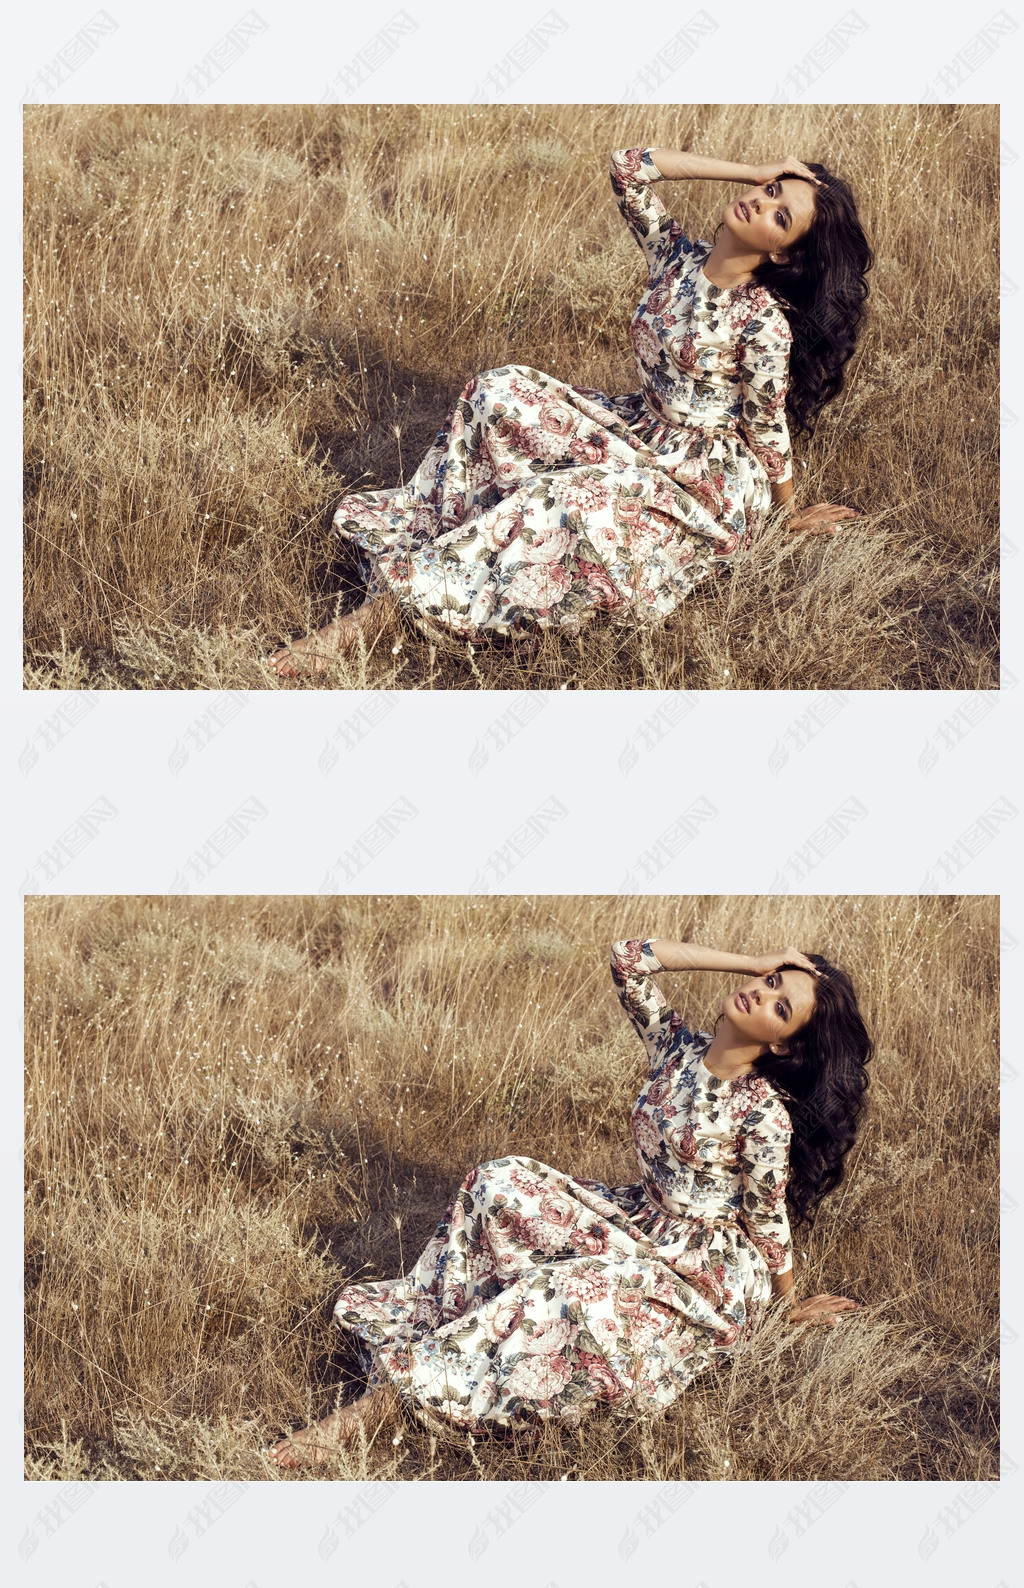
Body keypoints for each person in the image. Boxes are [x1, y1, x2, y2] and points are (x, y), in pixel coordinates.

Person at [268, 144, 873, 676]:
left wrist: (786, 512)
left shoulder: (763, 322)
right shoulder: (676, 258)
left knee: (561, 503)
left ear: (785, 255)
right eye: (769, 192)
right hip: (639, 427)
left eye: (780, 215)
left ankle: (383, 615)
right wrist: (751, 167)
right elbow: (629, 168)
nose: (760, 203)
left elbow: (766, 426)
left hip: (702, 478)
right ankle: (444, 535)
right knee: (497, 390)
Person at [269, 936, 872, 1465]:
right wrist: (751, 958)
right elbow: (630, 959)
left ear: (785, 1046)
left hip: (702, 1268)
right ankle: (442, 1323)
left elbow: (766, 1218)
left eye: (780, 1005)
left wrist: (785, 1304)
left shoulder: (763, 1114)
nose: (760, 995)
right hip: (639, 1218)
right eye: (768, 983)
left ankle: (387, 1405)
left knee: (560, 1295)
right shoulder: (677, 1048)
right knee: (498, 1181)